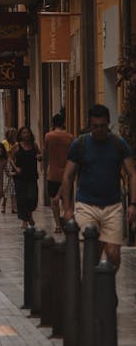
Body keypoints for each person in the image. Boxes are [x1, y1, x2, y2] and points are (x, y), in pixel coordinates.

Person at [60, 103, 136, 272]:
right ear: (89, 125)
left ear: (108, 123)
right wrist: (67, 208)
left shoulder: (118, 144)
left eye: (102, 126)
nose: (99, 130)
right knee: (91, 253)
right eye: (95, 126)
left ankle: (107, 289)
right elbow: (67, 175)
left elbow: (132, 174)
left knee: (113, 253)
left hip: (113, 206)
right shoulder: (80, 144)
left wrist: (132, 204)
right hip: (86, 205)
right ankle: (91, 290)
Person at [43, 113, 74, 233]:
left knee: (54, 201)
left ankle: (57, 225)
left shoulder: (49, 136)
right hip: (67, 173)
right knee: (67, 201)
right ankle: (67, 221)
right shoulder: (70, 137)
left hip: (53, 173)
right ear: (63, 123)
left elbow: (45, 151)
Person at [9, 124, 41, 229]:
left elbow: (39, 155)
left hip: (32, 175)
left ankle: (29, 214)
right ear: (20, 135)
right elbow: (11, 158)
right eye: (23, 133)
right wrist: (15, 168)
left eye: (27, 132)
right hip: (20, 176)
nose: (26, 134)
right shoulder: (17, 146)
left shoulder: (34, 145)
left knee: (32, 198)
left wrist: (39, 157)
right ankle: (25, 220)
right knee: (22, 199)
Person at [1, 127, 17, 215]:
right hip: (6, 165)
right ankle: (3, 204)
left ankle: (14, 207)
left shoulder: (16, 144)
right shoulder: (4, 143)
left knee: (13, 187)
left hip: (13, 165)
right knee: (6, 186)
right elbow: (6, 155)